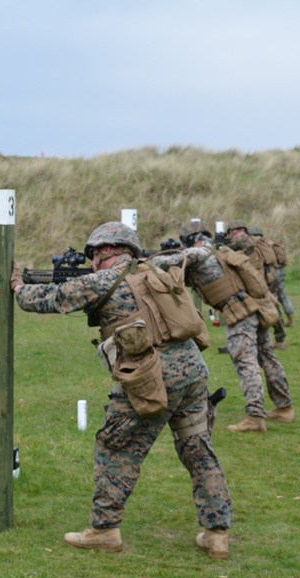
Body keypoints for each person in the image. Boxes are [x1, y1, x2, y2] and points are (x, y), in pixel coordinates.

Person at [13, 221, 234, 558]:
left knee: (116, 447)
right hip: (194, 374)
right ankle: (217, 533)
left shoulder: (105, 280)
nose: (90, 263)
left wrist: (17, 286)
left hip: (151, 379)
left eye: (93, 255)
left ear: (106, 251)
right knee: (198, 449)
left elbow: (50, 298)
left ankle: (104, 529)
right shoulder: (156, 270)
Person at [154, 220, 294, 432]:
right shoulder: (219, 249)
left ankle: (256, 416)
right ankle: (284, 408)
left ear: (191, 239)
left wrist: (143, 259)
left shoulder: (199, 253)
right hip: (254, 307)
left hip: (239, 312)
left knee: (245, 361)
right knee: (267, 357)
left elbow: (169, 262)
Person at [249, 225, 295, 345]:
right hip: (276, 275)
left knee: (272, 307)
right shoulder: (268, 243)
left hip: (267, 279)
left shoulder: (255, 246)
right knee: (281, 299)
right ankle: (287, 326)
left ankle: (279, 338)